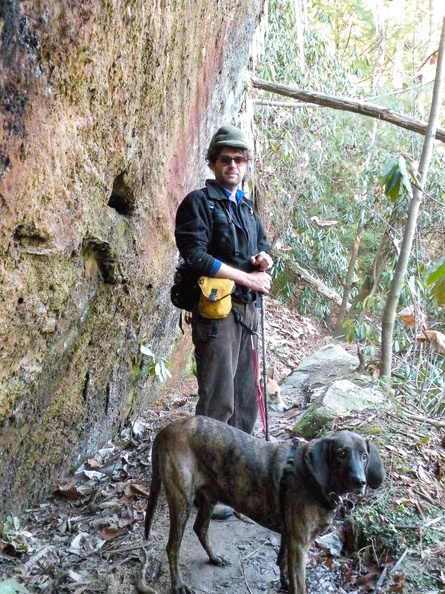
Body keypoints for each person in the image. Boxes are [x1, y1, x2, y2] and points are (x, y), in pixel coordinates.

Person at [175, 124, 272, 518]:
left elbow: (261, 244)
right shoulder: (199, 203)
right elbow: (194, 254)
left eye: (239, 160)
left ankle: (238, 481)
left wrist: (263, 260)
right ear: (213, 163)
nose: (233, 166)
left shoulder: (246, 207)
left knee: (247, 401)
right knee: (219, 400)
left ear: (246, 165)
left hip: (247, 311)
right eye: (226, 159)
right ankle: (206, 488)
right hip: (216, 315)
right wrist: (246, 277)